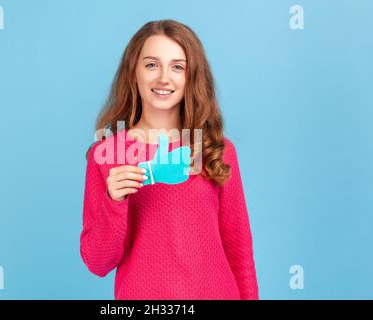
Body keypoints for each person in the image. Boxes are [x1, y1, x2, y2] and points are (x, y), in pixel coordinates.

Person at [80, 19, 259, 300]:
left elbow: (239, 249)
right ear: (133, 72)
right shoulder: (107, 155)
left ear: (191, 76)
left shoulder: (215, 149)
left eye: (178, 66)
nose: (164, 77)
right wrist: (113, 202)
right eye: (151, 64)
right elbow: (97, 263)